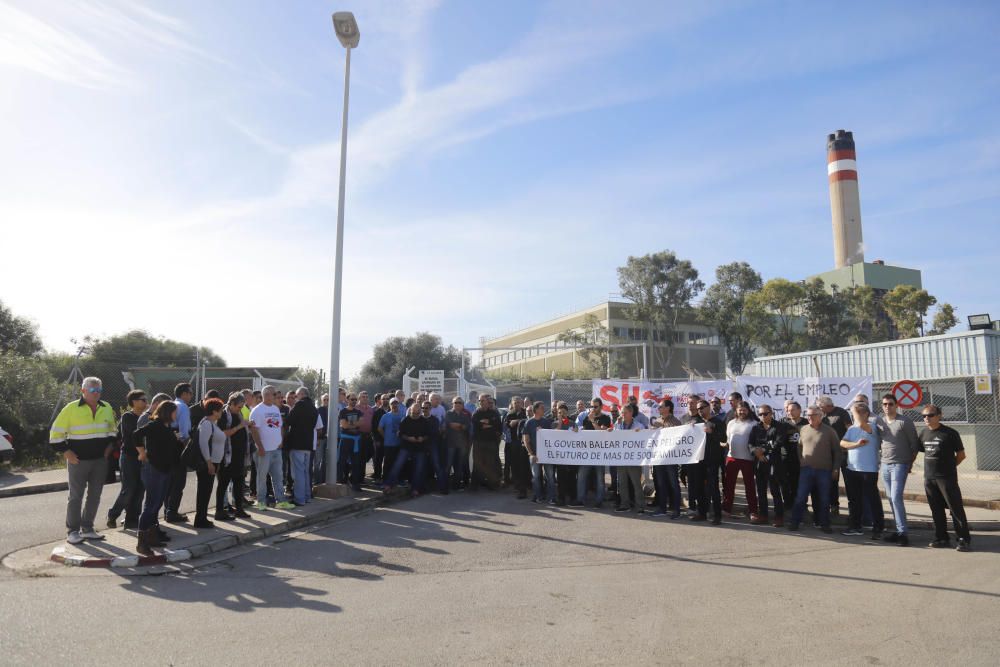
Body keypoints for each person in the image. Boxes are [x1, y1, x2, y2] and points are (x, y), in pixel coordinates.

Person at [49, 377, 117, 545]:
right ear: (83, 391)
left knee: (95, 496)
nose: (96, 394)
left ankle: (88, 528)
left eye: (99, 391)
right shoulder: (71, 409)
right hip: (78, 461)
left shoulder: (107, 407)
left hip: (100, 461)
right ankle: (73, 531)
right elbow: (55, 434)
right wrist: (66, 452)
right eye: (93, 390)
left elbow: (113, 431)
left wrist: (109, 448)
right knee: (75, 497)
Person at [918, 404, 971, 551]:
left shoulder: (950, 433)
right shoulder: (923, 433)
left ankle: (963, 539)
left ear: (939, 415)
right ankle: (941, 538)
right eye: (924, 416)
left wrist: (949, 467)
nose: (926, 418)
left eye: (930, 415)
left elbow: (961, 455)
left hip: (946, 478)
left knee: (955, 509)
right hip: (929, 478)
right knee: (936, 510)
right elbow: (923, 451)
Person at [133, 400, 181, 555]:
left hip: (165, 469)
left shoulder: (167, 427)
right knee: (151, 505)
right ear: (167, 412)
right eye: (174, 411)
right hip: (154, 468)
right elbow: (136, 435)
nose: (176, 414)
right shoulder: (155, 425)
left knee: (157, 503)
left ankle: (152, 536)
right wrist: (142, 453)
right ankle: (141, 542)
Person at [875, 393, 920, 546]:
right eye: (885, 404)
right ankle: (898, 530)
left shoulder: (904, 422)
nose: (887, 407)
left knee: (896, 497)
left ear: (896, 405)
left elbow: (914, 444)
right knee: (890, 498)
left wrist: (909, 463)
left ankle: (903, 533)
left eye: (890, 404)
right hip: (885, 464)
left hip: (900, 464)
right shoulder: (880, 422)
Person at [787, 407, 838, 533]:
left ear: (820, 415)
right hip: (806, 470)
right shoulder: (803, 429)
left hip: (824, 470)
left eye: (812, 415)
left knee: (824, 498)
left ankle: (824, 524)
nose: (809, 417)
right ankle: (795, 522)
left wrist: (835, 468)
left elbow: (837, 451)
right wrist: (802, 461)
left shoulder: (829, 431)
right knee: (800, 497)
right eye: (808, 415)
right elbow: (799, 447)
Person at [838, 402, 885, 539]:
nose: (853, 415)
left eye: (855, 413)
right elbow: (842, 443)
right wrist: (856, 444)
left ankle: (878, 527)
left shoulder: (871, 426)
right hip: (852, 469)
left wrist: (857, 412)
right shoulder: (852, 428)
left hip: (868, 470)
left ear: (865, 414)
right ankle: (855, 526)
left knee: (872, 499)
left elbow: (864, 426)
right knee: (854, 499)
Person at [106, 389, 148, 531]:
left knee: (140, 489)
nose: (146, 402)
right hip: (129, 457)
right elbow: (132, 436)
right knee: (129, 488)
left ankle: (132, 520)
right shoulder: (128, 417)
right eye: (143, 400)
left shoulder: (147, 417)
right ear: (134, 402)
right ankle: (113, 514)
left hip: (143, 458)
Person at [249, 386, 295, 511]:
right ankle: (261, 502)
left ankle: (280, 501)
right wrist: (260, 447)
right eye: (274, 394)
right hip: (263, 450)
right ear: (267, 395)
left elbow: (280, 426)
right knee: (262, 477)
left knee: (278, 476)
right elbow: (254, 430)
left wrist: (280, 440)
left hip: (276, 449)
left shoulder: (275, 409)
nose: (276, 397)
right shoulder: (257, 411)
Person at [748, 404, 788, 526]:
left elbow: (779, 442)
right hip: (760, 464)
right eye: (760, 414)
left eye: (765, 414)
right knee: (761, 491)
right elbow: (750, 444)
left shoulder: (779, 426)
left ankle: (779, 516)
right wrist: (757, 453)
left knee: (775, 491)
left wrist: (763, 450)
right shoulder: (756, 428)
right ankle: (763, 515)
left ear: (771, 413)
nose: (763, 416)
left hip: (774, 464)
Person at [216, 393, 252, 520]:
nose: (240, 409)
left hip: (240, 456)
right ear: (231, 404)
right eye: (238, 407)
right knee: (223, 484)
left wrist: (247, 425)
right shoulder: (224, 416)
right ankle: (220, 510)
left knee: (239, 483)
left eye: (242, 407)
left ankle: (239, 509)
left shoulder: (239, 414)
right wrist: (239, 426)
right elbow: (222, 434)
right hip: (227, 457)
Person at [193, 398, 228, 529]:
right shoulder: (207, 423)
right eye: (220, 410)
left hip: (213, 462)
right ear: (214, 411)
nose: (222, 412)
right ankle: (200, 520)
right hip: (208, 463)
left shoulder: (212, 423)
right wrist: (209, 463)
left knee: (206, 491)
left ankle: (202, 518)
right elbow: (203, 444)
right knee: (204, 491)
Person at [691, 400, 726, 524]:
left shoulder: (718, 422)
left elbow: (723, 439)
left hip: (713, 460)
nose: (700, 410)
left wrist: (712, 433)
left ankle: (717, 516)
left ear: (708, 407)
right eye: (698, 409)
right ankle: (702, 513)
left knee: (713, 488)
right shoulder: (697, 422)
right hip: (699, 459)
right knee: (699, 487)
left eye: (702, 408)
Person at [384, 404, 430, 496]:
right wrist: (409, 438)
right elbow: (400, 433)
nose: (415, 414)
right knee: (397, 465)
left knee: (419, 468)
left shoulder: (424, 421)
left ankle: (415, 489)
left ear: (420, 412)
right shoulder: (405, 420)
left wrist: (423, 438)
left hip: (420, 448)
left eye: (417, 413)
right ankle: (389, 485)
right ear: (410, 411)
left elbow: (428, 434)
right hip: (406, 446)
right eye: (413, 412)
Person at [722, 402, 757, 519]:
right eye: (740, 410)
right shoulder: (731, 423)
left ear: (748, 411)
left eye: (744, 410)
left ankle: (753, 511)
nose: (742, 412)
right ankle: (726, 509)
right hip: (732, 458)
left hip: (748, 459)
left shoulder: (754, 424)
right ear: (736, 411)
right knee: (729, 485)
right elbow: (728, 439)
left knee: (750, 486)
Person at [818, 396, 851, 517]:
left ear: (828, 405)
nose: (820, 409)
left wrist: (846, 444)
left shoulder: (842, 412)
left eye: (821, 407)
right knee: (832, 481)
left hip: (844, 453)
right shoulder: (822, 416)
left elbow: (849, 428)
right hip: (830, 454)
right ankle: (834, 506)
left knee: (849, 481)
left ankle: (852, 508)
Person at [165, 382, 193, 524]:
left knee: (170, 482)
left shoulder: (170, 404)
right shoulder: (183, 407)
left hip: (168, 445)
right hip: (178, 446)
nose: (191, 396)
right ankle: (172, 512)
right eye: (190, 393)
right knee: (178, 482)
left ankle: (168, 510)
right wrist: (189, 450)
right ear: (184, 394)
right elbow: (183, 433)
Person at [286, 387, 320, 506]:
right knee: (305, 472)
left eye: (296, 395)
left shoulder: (300, 405)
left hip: (297, 443)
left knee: (299, 472)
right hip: (308, 444)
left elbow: (289, 420)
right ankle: (306, 496)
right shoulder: (314, 408)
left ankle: (299, 499)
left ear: (301, 394)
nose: (295, 398)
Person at [577, 399, 611, 508]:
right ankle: (580, 499)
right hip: (587, 453)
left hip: (599, 453)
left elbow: (601, 433)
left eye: (595, 407)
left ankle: (599, 500)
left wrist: (592, 421)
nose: (593, 409)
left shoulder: (605, 418)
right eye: (591, 406)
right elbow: (582, 433)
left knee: (600, 478)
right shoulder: (586, 418)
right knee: (582, 476)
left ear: (601, 407)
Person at [651, 399, 682, 519]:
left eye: (661, 407)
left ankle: (676, 510)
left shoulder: (676, 422)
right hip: (659, 458)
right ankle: (662, 509)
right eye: (658, 407)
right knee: (660, 484)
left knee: (673, 484)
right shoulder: (657, 421)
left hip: (671, 458)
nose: (658, 409)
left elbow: (679, 438)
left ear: (668, 408)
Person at [614, 404, 645, 514]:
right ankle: (624, 504)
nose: (622, 415)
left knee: (636, 483)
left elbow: (644, 440)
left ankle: (640, 506)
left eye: (625, 412)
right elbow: (613, 438)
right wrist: (610, 431)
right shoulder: (617, 425)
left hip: (634, 459)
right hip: (621, 459)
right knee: (622, 483)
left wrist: (639, 434)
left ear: (631, 413)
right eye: (621, 412)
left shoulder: (639, 426)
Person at [522, 401, 554, 504]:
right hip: (534, 454)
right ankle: (538, 496)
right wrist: (531, 454)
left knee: (550, 476)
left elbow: (553, 436)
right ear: (535, 410)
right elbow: (526, 440)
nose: (543, 409)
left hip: (546, 455)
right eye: (541, 408)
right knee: (536, 477)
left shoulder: (547, 422)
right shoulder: (529, 423)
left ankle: (551, 497)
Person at [471, 394, 502, 490]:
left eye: (483, 401)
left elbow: (498, 426)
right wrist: (487, 424)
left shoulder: (494, 413)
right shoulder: (476, 413)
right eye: (480, 401)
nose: (481, 402)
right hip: (478, 442)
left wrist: (487, 423)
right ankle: (475, 485)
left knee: (491, 463)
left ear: (487, 402)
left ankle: (492, 485)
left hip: (491, 442)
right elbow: (476, 425)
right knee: (477, 463)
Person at [782, 401, 807, 514]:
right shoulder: (783, 423)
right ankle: (788, 505)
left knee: (800, 484)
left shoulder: (806, 423)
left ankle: (802, 506)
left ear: (799, 410)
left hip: (802, 459)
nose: (790, 412)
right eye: (788, 410)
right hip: (786, 459)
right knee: (786, 483)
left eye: (792, 410)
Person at [552, 404, 578, 506]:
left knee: (572, 477)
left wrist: (577, 431)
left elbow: (577, 437)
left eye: (563, 412)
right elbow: (555, 435)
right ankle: (561, 498)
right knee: (561, 478)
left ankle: (573, 498)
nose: (562, 414)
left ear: (567, 413)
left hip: (571, 456)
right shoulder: (554, 424)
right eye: (559, 413)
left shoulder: (572, 423)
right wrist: (559, 423)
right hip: (560, 456)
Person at [338, 393, 364, 490]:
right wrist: (354, 424)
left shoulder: (358, 411)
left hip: (356, 441)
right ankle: (342, 481)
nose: (354, 401)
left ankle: (355, 483)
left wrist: (349, 424)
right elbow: (343, 425)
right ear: (347, 400)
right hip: (346, 440)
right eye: (352, 399)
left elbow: (361, 422)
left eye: (355, 399)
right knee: (342, 461)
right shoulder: (343, 411)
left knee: (356, 462)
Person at [504, 397, 529, 498]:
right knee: (515, 465)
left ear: (522, 403)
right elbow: (509, 424)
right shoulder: (509, 414)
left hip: (525, 442)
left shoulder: (525, 412)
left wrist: (518, 421)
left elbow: (528, 420)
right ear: (512, 404)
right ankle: (517, 485)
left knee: (524, 465)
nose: (517, 404)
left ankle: (527, 484)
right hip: (514, 442)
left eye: (519, 402)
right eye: (515, 403)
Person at [379, 398, 405, 487]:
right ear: (390, 405)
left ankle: (398, 481)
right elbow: (379, 428)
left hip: (399, 444)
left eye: (396, 403)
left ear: (398, 405)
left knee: (399, 462)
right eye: (392, 404)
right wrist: (385, 436)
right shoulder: (385, 416)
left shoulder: (402, 415)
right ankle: (385, 481)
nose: (394, 405)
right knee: (387, 463)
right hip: (388, 444)